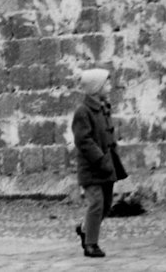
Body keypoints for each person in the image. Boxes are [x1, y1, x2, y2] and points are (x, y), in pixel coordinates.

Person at [71, 68, 127, 260]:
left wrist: (112, 158)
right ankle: (90, 244)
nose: (110, 86)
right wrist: (100, 158)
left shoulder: (104, 107)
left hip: (107, 165)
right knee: (96, 203)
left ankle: (85, 229)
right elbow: (83, 140)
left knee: (106, 204)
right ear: (96, 87)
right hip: (91, 167)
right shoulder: (83, 111)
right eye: (106, 83)